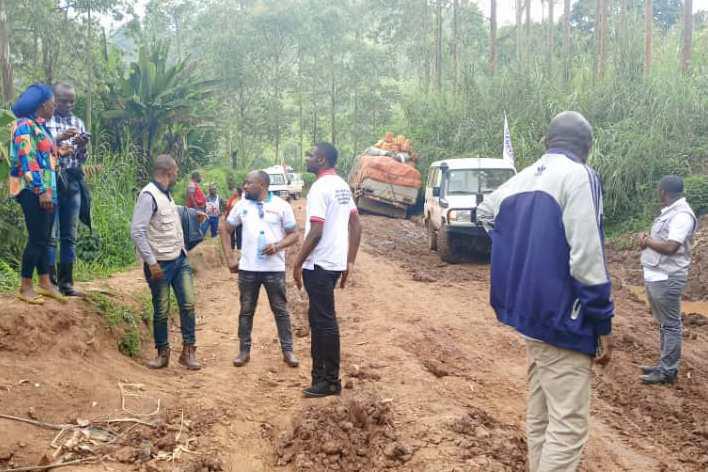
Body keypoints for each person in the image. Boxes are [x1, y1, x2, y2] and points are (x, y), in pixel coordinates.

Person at [477, 111, 613, 472]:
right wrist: (602, 321)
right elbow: (587, 257)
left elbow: (485, 213)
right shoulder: (580, 176)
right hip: (562, 320)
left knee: (541, 418)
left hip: (528, 316)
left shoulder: (521, 179)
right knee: (567, 425)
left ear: (545, 143)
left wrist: (521, 252)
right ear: (587, 147)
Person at [293, 143, 362, 398]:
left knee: (324, 321)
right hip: (333, 263)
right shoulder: (342, 185)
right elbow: (356, 224)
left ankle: (330, 381)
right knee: (319, 319)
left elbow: (317, 231)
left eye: (310, 154)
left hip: (319, 264)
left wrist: (297, 262)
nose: (307, 157)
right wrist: (349, 262)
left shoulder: (320, 188)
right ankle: (319, 376)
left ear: (321, 160)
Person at [220, 170, 300, 368]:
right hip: (248, 269)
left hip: (274, 269)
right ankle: (244, 351)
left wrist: (278, 246)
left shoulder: (281, 206)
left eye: (249, 183)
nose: (245, 186)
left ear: (263, 185)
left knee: (280, 310)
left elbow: (294, 234)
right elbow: (225, 229)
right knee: (246, 311)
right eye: (245, 183)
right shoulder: (241, 206)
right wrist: (230, 258)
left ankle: (288, 351)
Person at [130, 154, 203, 370]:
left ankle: (188, 351)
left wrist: (191, 213)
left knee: (188, 304)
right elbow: (137, 231)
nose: (177, 175)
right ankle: (163, 353)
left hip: (179, 259)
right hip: (159, 264)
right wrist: (151, 262)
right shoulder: (148, 195)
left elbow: (169, 212)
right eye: (176, 171)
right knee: (161, 310)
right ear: (168, 172)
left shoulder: (165, 194)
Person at [9, 84, 73, 305]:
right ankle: (25, 285)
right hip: (33, 191)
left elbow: (44, 157)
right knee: (37, 238)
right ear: (42, 105)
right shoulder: (24, 126)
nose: (54, 106)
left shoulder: (40, 126)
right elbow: (28, 160)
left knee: (45, 238)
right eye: (52, 103)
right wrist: (41, 189)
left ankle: (45, 283)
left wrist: (61, 150)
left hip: (47, 190)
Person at [638, 175, 696, 385]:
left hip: (667, 277)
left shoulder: (681, 215)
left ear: (663, 191)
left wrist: (647, 241)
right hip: (658, 274)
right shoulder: (672, 213)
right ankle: (664, 365)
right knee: (665, 324)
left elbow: (672, 247)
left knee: (671, 325)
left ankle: (668, 371)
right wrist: (649, 241)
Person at [45, 82, 90, 297]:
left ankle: (67, 283)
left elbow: (81, 158)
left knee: (69, 235)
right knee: (51, 235)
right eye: (64, 100)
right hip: (52, 182)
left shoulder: (78, 122)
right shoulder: (44, 121)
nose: (69, 104)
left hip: (72, 182)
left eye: (72, 100)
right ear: (54, 99)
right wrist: (58, 139)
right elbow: (39, 150)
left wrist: (81, 146)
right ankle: (50, 284)